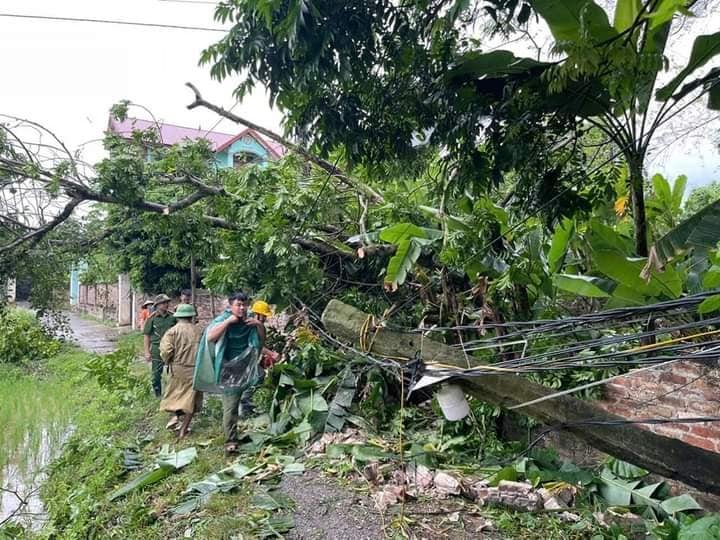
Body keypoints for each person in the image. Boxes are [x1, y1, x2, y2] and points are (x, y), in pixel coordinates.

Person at [195, 291, 265, 454]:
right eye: (238, 305)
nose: (242, 308)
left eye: (244, 304)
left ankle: (234, 434)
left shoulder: (249, 323)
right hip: (228, 371)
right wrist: (228, 322)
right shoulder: (223, 320)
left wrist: (259, 325)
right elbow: (211, 337)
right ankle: (231, 441)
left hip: (245, 369)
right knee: (231, 405)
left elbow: (261, 341)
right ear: (230, 306)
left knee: (243, 398)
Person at [159, 304, 203, 438]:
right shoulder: (199, 331)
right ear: (191, 316)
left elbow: (166, 352)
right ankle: (184, 429)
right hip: (195, 369)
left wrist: (168, 361)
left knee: (174, 395)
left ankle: (174, 417)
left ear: (177, 317)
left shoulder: (172, 332)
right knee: (191, 400)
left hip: (177, 369)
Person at [239, 300, 275, 418]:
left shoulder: (257, 324)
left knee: (256, 376)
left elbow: (261, 342)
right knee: (258, 375)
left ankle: (245, 406)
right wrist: (271, 353)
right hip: (243, 358)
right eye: (263, 316)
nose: (264, 318)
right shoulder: (249, 324)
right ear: (257, 314)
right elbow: (255, 344)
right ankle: (244, 402)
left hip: (251, 358)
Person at [143, 294, 176, 397]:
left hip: (172, 348)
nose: (166, 305)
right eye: (164, 303)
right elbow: (147, 336)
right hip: (157, 349)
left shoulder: (173, 317)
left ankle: (172, 395)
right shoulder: (151, 318)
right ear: (157, 305)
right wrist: (147, 352)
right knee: (156, 375)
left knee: (174, 373)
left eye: (167, 302)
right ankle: (158, 394)